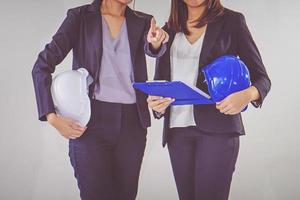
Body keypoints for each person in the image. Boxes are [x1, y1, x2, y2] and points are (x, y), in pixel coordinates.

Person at [31, 0, 168, 199]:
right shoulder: (80, 17)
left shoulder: (143, 21)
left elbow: (151, 47)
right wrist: (51, 117)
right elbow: (42, 65)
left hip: (133, 125)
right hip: (90, 123)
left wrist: (155, 44)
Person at [146, 0, 271, 199]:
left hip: (219, 129)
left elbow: (262, 79)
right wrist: (157, 105)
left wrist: (246, 95)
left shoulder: (232, 21)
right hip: (177, 132)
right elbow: (161, 82)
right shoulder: (167, 30)